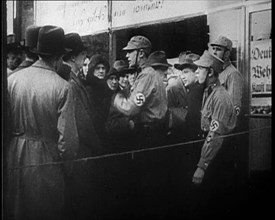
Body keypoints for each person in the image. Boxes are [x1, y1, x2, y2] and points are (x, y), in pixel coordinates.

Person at [6, 25, 78, 220]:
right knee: (45, 210)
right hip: (46, 160)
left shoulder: (12, 80)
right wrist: (69, 168)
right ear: (58, 58)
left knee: (18, 209)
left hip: (15, 155)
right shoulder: (62, 87)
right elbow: (68, 141)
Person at [191, 50, 237, 218]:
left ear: (210, 72)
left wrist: (202, 166)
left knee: (215, 204)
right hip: (211, 151)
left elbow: (215, 134)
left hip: (217, 156)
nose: (196, 72)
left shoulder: (220, 97)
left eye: (200, 69)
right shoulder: (208, 92)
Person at [61, 32, 103, 219]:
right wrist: (97, 146)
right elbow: (82, 122)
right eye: (82, 55)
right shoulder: (71, 81)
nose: (84, 58)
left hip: (77, 150)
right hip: (81, 151)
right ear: (73, 57)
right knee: (82, 202)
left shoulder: (72, 78)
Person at [166, 51, 203, 143]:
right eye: (182, 72)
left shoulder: (200, 89)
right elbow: (170, 114)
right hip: (179, 137)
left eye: (185, 72)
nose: (182, 76)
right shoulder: (172, 88)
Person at [208, 35, 244, 117]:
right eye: (213, 48)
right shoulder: (215, 72)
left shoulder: (233, 74)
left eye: (218, 49)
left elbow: (234, 107)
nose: (214, 52)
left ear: (227, 54)